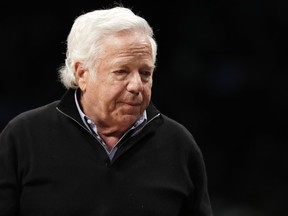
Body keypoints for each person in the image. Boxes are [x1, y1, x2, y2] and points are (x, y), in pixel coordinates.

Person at [0, 6, 213, 216]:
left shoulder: (179, 145)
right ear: (82, 74)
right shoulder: (24, 137)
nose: (137, 85)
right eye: (122, 72)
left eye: (145, 73)